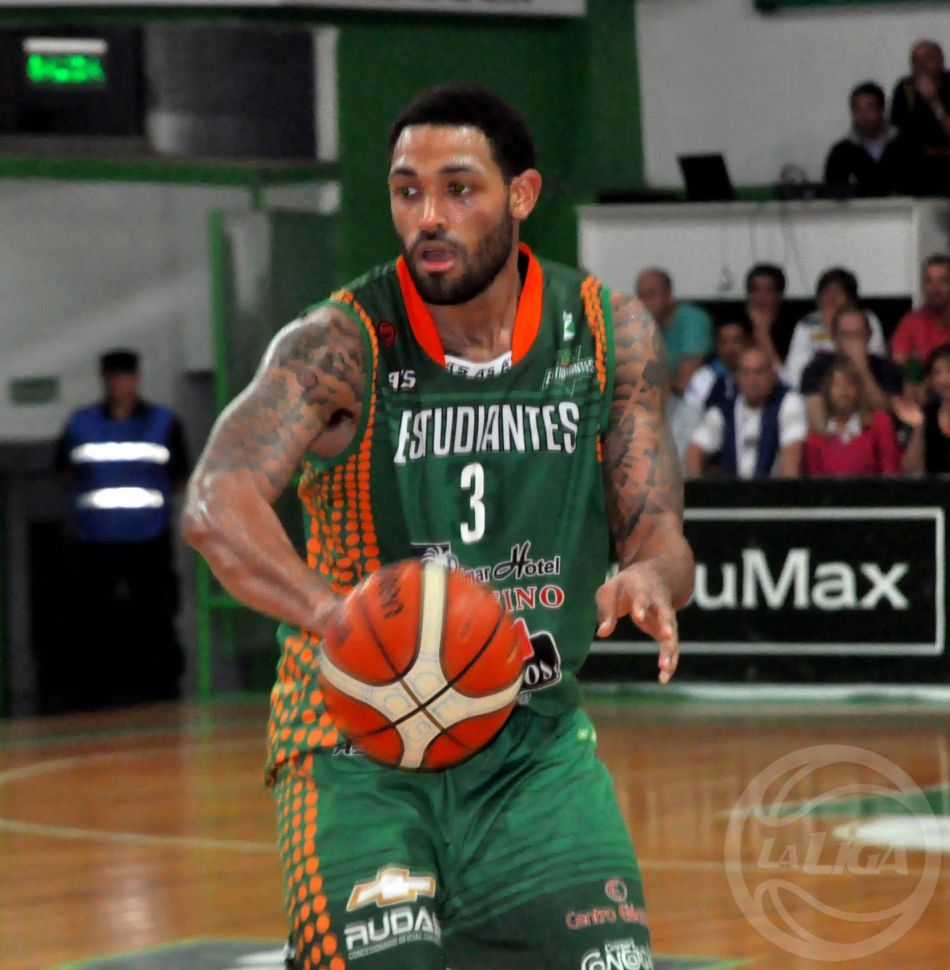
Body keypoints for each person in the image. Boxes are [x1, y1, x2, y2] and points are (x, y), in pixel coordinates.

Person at [182, 83, 694, 970]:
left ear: (522, 196)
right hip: (355, 745)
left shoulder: (607, 334)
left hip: (531, 745)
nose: (428, 217)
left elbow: (659, 531)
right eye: (406, 191)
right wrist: (335, 617)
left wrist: (651, 576)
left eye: (459, 189)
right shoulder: (341, 341)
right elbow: (214, 501)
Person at [55, 349, 190, 709]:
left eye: (125, 376)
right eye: (112, 377)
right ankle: (94, 695)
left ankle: (161, 692)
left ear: (136, 378)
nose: (119, 384)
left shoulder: (163, 422)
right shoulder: (81, 424)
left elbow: (179, 475)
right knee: (93, 620)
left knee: (155, 617)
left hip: (149, 539)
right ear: (104, 381)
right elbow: (65, 473)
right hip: (94, 542)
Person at [685, 345, 806, 480]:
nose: (752, 380)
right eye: (746, 373)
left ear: (772, 375)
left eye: (759, 372)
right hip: (733, 491)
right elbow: (693, 453)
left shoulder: (788, 403)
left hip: (774, 490)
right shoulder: (723, 412)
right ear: (737, 377)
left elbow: (791, 457)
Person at [800, 307, 904, 432]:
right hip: (833, 439)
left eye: (858, 335)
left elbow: (888, 415)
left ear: (869, 335)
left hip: (875, 438)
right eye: (846, 335)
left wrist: (863, 370)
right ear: (834, 336)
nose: (853, 341)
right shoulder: (816, 369)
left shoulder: (887, 368)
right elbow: (818, 421)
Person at [783, 267, 886, 390]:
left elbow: (876, 360)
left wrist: (835, 327)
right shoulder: (807, 324)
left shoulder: (866, 318)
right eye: (825, 292)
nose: (830, 298)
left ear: (851, 299)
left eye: (837, 292)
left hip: (860, 386)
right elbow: (795, 372)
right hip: (817, 387)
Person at [802, 358, 901, 477]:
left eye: (849, 384)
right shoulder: (815, 434)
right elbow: (814, 481)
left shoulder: (879, 423)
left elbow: (890, 471)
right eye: (836, 384)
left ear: (859, 390)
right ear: (827, 391)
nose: (843, 391)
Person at [671, 316, 752, 456]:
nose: (730, 349)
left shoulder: (763, 375)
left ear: (748, 343)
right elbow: (690, 423)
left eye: (736, 341)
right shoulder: (702, 378)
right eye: (724, 342)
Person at [635, 266, 712, 395]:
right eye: (640, 296)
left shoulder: (693, 320)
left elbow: (684, 380)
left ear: (669, 295)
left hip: (697, 397)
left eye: (651, 295)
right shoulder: (640, 326)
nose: (644, 303)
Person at [824, 82, 909, 196]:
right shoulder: (841, 153)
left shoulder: (905, 144)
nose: (863, 115)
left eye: (869, 108)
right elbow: (832, 195)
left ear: (881, 110)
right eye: (858, 109)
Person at [890, 39, 950, 195]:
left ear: (941, 61)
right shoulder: (906, 88)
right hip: (919, 166)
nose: (921, 66)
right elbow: (902, 136)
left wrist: (934, 102)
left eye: (927, 59)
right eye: (916, 60)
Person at [890, 253, 950, 400]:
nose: (935, 288)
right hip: (922, 396)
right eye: (929, 281)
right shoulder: (912, 322)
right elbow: (899, 361)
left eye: (943, 281)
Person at [896, 345, 950, 475]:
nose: (945, 379)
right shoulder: (926, 415)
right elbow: (910, 471)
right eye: (937, 373)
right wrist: (919, 427)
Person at [742, 263, 796, 370]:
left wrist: (763, 332)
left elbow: (784, 375)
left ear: (779, 295)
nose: (760, 298)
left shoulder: (794, 328)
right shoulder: (738, 325)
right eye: (755, 290)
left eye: (768, 290)